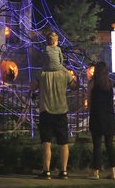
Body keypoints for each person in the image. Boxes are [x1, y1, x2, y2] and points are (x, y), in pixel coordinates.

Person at [30, 31, 77, 180]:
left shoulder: (42, 73)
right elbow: (74, 86)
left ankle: (47, 171)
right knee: (63, 143)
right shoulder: (64, 73)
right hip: (61, 111)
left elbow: (32, 87)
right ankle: (63, 171)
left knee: (46, 142)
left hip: (46, 111)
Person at [88, 61, 115, 180]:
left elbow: (89, 100)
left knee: (97, 145)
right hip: (109, 117)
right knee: (110, 144)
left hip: (96, 116)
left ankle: (96, 172)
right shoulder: (109, 84)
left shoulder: (92, 83)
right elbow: (112, 101)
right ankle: (113, 172)